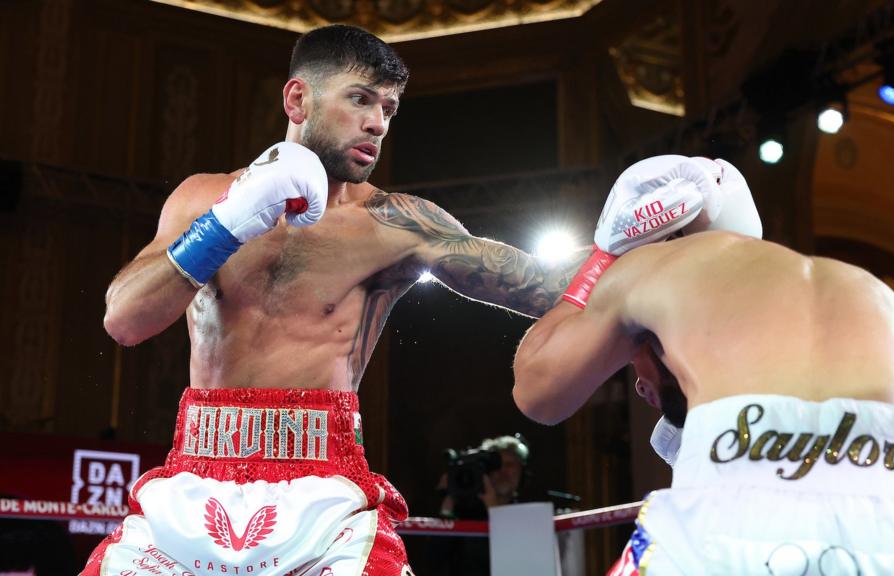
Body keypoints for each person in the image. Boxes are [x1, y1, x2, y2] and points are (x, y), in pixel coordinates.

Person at [87, 24, 590, 576]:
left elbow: (542, 285)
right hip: (192, 484)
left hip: (323, 501)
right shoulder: (204, 198)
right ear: (298, 98)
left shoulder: (397, 224)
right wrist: (226, 224)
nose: (378, 122)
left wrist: (639, 243)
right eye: (360, 99)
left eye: (390, 108)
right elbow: (124, 320)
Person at [512, 155, 894, 575]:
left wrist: (603, 259)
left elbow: (538, 391)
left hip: (742, 516)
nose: (638, 385)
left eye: (637, 351)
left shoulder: (657, 267)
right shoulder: (876, 295)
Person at [431, 435, 529, 575]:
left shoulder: (529, 516)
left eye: (510, 465)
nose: (503, 472)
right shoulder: (464, 512)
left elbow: (517, 564)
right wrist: (447, 509)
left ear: (522, 472)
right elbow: (435, 562)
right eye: (497, 465)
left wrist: (494, 510)